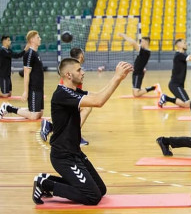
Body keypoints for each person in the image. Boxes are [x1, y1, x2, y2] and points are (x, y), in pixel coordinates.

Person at [31, 58, 133, 205]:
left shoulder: (73, 91)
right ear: (68, 75)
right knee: (93, 197)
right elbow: (98, 102)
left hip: (75, 154)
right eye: (79, 70)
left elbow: (98, 95)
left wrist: (119, 79)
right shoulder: (62, 94)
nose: (83, 72)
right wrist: (116, 77)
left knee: (100, 189)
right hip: (63, 156)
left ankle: (47, 179)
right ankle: (45, 185)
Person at [40, 48, 92, 145]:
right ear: (81, 56)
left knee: (76, 113)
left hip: (67, 96)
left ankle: (49, 126)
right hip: (65, 98)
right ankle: (74, 136)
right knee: (86, 108)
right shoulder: (74, 70)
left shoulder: (72, 67)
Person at [0, 30, 44, 120]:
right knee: (34, 116)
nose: (40, 39)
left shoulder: (36, 53)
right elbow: (26, 73)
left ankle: (10, 107)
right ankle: (8, 108)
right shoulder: (29, 54)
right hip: (34, 88)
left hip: (39, 88)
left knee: (40, 113)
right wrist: (25, 91)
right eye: (38, 37)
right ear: (32, 40)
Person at [158, 39, 191, 108]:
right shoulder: (178, 55)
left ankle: (167, 98)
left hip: (178, 85)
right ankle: (166, 98)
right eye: (184, 43)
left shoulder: (182, 55)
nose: (186, 44)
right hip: (175, 85)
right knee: (187, 104)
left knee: (183, 103)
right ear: (179, 45)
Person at [118, 33, 157, 97]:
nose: (140, 43)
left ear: (145, 42)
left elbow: (133, 43)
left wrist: (124, 36)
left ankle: (154, 87)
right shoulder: (145, 51)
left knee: (136, 94)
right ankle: (153, 87)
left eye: (142, 41)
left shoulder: (145, 51)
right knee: (136, 92)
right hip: (137, 72)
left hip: (138, 73)